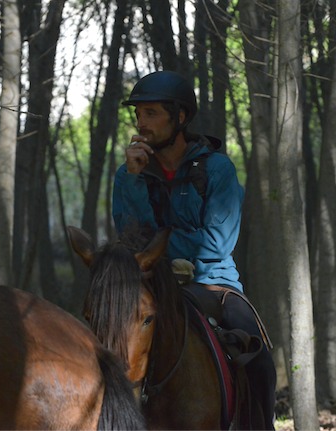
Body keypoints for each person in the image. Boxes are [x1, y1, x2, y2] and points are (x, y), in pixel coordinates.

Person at [112, 70, 276, 430]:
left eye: (152, 113)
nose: (142, 123)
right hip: (151, 282)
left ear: (180, 117)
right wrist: (135, 180)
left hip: (214, 283)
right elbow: (130, 236)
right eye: (139, 114)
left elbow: (218, 243)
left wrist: (160, 245)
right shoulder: (129, 174)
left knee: (260, 358)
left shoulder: (218, 170)